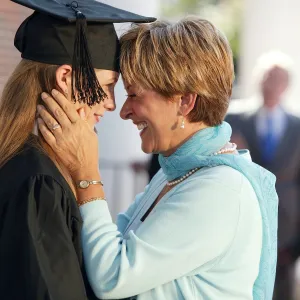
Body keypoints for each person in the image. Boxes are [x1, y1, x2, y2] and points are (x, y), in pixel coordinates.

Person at [37, 18, 278, 299]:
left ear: (185, 101)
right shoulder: (177, 173)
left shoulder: (220, 189)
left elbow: (112, 276)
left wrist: (85, 169)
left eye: (134, 94)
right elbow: (107, 247)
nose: (123, 110)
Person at [0, 0, 154, 299]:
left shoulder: (24, 161)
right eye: (108, 86)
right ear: (65, 77)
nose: (111, 103)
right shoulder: (38, 181)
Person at [226, 51, 300, 300]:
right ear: (258, 80)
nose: (272, 83)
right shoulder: (235, 118)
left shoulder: (297, 125)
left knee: (283, 289)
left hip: (287, 226)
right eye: (268, 76)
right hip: (246, 215)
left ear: (287, 84)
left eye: (279, 78)